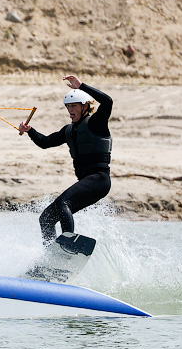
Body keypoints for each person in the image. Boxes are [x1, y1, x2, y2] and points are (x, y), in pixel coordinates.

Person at [18, 75, 112, 245]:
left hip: (99, 180)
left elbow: (108, 102)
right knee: (46, 218)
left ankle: (68, 245)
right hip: (86, 182)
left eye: (74, 106)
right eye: (68, 106)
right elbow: (45, 143)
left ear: (85, 107)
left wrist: (81, 86)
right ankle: (51, 256)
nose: (70, 110)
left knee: (63, 203)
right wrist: (30, 131)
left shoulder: (96, 123)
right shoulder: (68, 130)